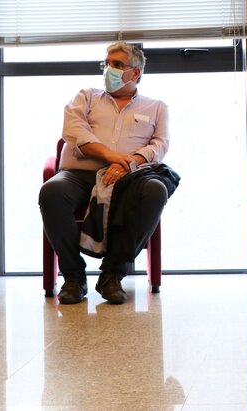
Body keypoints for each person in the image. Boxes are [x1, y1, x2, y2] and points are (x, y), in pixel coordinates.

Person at [39, 41, 172, 305]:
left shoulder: (156, 107)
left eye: (117, 64)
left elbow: (160, 144)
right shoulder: (87, 96)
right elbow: (74, 131)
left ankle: (112, 275)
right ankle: (73, 277)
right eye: (107, 63)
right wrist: (112, 157)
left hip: (128, 177)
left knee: (156, 190)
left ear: (135, 72)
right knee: (52, 191)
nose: (109, 69)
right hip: (80, 173)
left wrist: (128, 163)